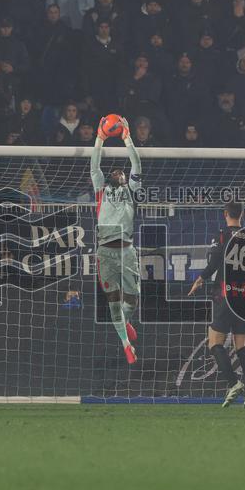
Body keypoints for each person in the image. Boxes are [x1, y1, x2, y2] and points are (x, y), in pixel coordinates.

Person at [187, 201, 245, 409]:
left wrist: (199, 279)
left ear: (225, 214)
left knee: (215, 343)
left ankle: (233, 383)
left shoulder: (222, 235)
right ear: (242, 214)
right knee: (242, 346)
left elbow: (215, 260)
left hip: (225, 294)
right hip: (244, 296)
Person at [91, 117, 141, 364]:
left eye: (122, 171)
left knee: (131, 300)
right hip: (105, 252)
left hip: (127, 250)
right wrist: (99, 138)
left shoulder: (132, 190)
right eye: (116, 171)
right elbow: (94, 167)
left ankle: (127, 322)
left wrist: (126, 137)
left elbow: (136, 164)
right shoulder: (101, 189)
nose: (119, 172)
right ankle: (126, 345)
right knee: (113, 304)